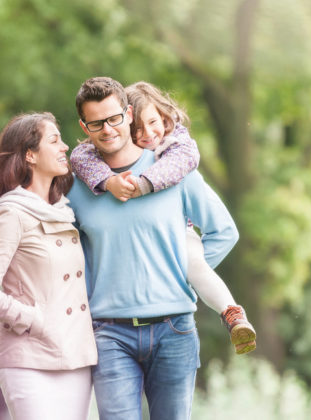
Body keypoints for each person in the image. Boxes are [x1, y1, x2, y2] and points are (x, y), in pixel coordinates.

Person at [67, 76, 238, 420]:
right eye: (96, 123)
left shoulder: (174, 171)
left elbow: (223, 232)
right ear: (84, 126)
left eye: (114, 118)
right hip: (108, 333)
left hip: (174, 329)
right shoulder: (76, 187)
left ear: (128, 115)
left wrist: (185, 274)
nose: (108, 129)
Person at [0, 112, 97, 420]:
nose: (65, 147)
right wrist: (31, 319)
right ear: (30, 154)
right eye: (54, 140)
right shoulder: (12, 212)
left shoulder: (65, 210)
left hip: (75, 359)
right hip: (29, 359)